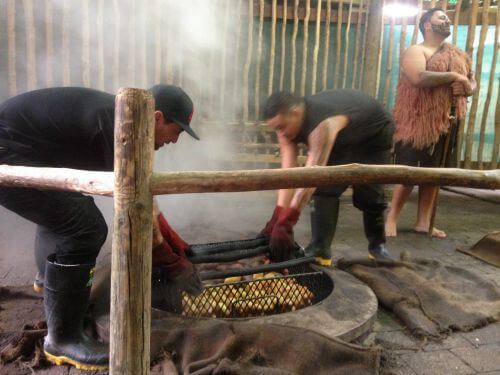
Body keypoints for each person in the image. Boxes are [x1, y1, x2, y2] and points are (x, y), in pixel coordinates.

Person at [0, 84, 203, 370]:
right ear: (157, 117)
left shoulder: (126, 118)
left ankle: (52, 286)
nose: (175, 140)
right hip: (7, 150)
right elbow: (139, 208)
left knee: (63, 209)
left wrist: (172, 239)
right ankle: (63, 339)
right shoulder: (123, 126)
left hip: (20, 147)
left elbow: (147, 198)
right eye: (177, 131)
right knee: (85, 226)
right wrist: (170, 262)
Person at [259, 89, 395, 266]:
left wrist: (288, 220)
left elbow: (312, 176)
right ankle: (320, 249)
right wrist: (277, 216)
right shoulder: (286, 125)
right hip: (342, 138)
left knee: (369, 195)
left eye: (282, 127)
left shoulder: (322, 125)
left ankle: (378, 248)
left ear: (295, 112)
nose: (281, 134)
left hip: (374, 134)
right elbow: (288, 174)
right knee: (324, 191)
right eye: (276, 129)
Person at [385, 8, 475, 238]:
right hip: (416, 122)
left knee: (435, 173)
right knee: (408, 174)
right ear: (427, 24)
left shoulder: (458, 55)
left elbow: (472, 83)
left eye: (447, 18)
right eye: (441, 17)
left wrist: (467, 87)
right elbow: (419, 77)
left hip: (446, 121)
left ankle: (423, 222)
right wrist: (455, 77)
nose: (447, 20)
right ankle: (391, 219)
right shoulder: (416, 51)